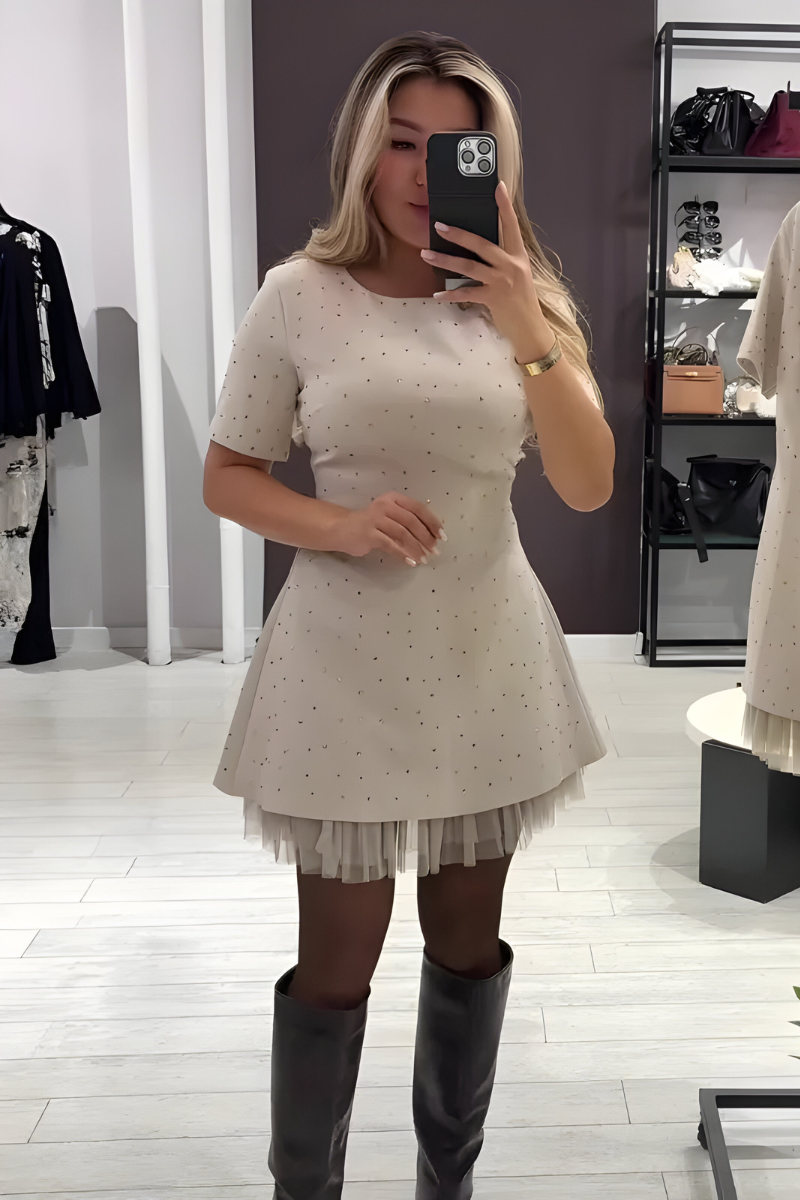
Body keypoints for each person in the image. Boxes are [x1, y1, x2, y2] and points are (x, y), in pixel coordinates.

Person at [203, 30, 614, 1200]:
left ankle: (449, 1182)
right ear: (360, 152)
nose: (423, 174)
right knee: (333, 968)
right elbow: (227, 475)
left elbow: (587, 482)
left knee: (468, 948)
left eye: (454, 149)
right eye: (400, 143)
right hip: (338, 666)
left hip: (487, 658)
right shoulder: (298, 296)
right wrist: (336, 526)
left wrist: (524, 325)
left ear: (495, 165)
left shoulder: (522, 304)